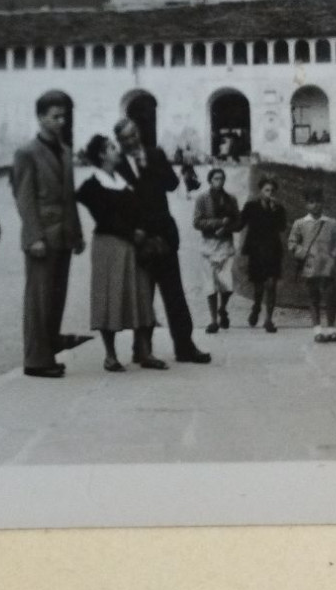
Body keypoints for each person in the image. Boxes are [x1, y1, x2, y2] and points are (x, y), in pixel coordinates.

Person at [114, 117, 211, 364]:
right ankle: (141, 348)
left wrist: (150, 165)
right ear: (120, 142)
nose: (132, 140)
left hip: (164, 235)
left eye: (134, 134)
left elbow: (171, 184)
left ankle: (185, 347)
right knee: (143, 295)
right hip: (139, 238)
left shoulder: (155, 154)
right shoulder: (118, 164)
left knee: (175, 294)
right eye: (126, 138)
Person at [76, 134, 166, 372]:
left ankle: (144, 352)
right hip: (109, 245)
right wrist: (131, 231)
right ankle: (110, 355)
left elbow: (138, 211)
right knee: (110, 296)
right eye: (112, 148)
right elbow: (103, 217)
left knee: (140, 295)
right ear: (102, 154)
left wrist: (142, 230)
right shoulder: (92, 185)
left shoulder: (122, 181)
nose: (117, 151)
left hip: (131, 245)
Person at [11, 91, 86, 378]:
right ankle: (36, 361)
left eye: (64, 116)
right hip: (42, 236)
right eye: (55, 116)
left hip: (64, 235)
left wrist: (77, 234)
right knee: (39, 299)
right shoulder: (27, 153)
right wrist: (34, 237)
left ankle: (49, 354)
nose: (61, 121)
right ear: (41, 117)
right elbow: (24, 198)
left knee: (56, 298)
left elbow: (69, 197)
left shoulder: (65, 151)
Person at [288, 189, 336, 343]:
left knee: (331, 298)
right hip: (310, 266)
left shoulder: (331, 223)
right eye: (311, 202)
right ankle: (317, 330)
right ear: (306, 205)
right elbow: (292, 243)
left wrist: (334, 255)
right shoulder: (300, 223)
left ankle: (332, 330)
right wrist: (303, 252)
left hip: (328, 267)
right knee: (314, 298)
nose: (315, 205)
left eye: (318, 201)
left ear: (323, 203)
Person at [193, 168, 241, 334]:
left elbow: (238, 222)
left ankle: (223, 308)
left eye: (221, 178)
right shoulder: (202, 199)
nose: (219, 181)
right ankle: (213, 320)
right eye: (215, 178)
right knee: (210, 285)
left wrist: (227, 227)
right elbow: (197, 222)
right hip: (209, 245)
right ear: (210, 180)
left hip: (226, 245)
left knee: (227, 284)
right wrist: (218, 223)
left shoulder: (231, 199)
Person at [238, 176, 287, 332]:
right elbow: (240, 223)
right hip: (256, 251)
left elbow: (282, 228)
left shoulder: (279, 209)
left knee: (271, 285)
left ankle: (268, 320)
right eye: (266, 190)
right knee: (259, 285)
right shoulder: (251, 206)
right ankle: (257, 306)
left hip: (273, 250)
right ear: (260, 191)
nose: (269, 193)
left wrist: (274, 211)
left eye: (272, 190)